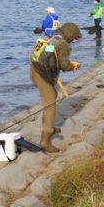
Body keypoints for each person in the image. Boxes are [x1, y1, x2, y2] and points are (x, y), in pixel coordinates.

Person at [30, 22, 81, 152]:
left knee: (52, 96)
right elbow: (64, 65)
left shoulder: (51, 35)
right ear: (70, 35)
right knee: (50, 105)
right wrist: (73, 66)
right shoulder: (63, 44)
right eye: (75, 38)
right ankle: (45, 141)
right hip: (43, 75)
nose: (74, 41)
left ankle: (50, 126)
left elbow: (40, 54)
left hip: (34, 70)